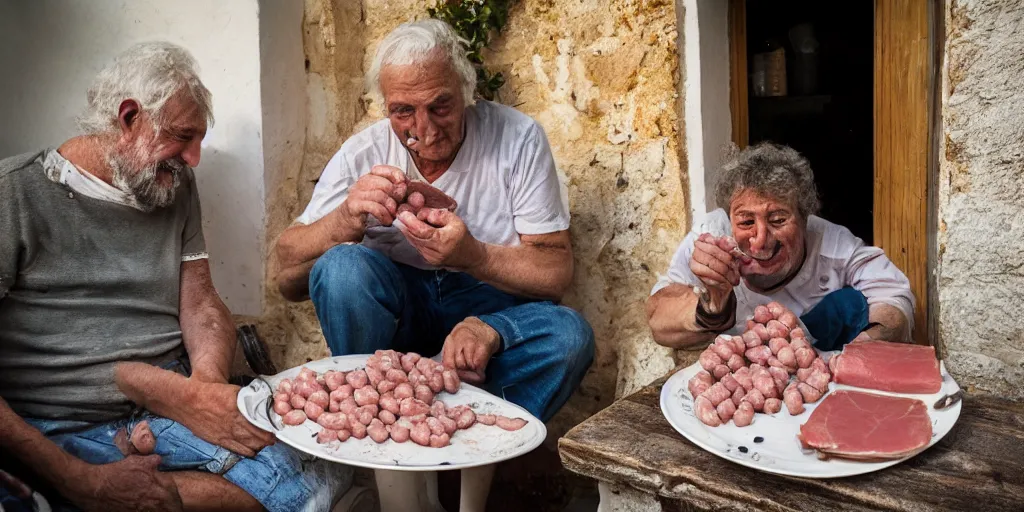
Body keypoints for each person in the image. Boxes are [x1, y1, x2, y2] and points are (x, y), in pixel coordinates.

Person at [0, 42, 351, 512]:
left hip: (164, 400)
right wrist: (80, 480)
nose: (194, 158)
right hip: (61, 422)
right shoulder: (15, 193)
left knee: (328, 467)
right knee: (291, 496)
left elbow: (201, 303)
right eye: (183, 137)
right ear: (128, 117)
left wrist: (201, 392)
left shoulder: (174, 185)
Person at [274, 19, 595, 511]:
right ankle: (382, 429)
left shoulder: (517, 139)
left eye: (440, 106)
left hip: (485, 310)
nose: (422, 129)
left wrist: (476, 262)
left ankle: (464, 439)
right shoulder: (365, 152)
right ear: (385, 107)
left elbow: (554, 274)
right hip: (396, 324)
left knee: (569, 337)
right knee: (342, 268)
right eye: (403, 111)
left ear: (466, 92)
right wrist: (344, 219)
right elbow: (288, 278)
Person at [647, 142, 914, 351]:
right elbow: (658, 321)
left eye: (778, 219)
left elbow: (893, 297)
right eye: (746, 221)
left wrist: (864, 349)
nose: (760, 239)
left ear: (805, 217)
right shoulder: (710, 239)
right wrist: (711, 307)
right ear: (729, 218)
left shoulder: (832, 245)